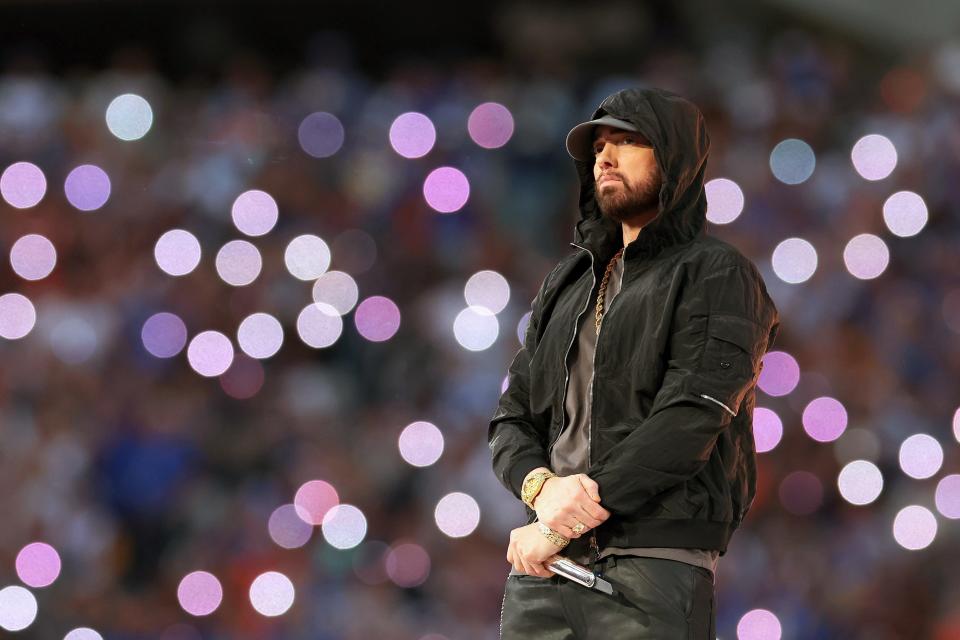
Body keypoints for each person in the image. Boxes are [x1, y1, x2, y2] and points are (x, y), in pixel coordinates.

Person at [488, 86, 781, 639]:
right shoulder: (569, 280)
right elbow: (512, 415)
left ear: (675, 160)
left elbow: (691, 416)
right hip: (541, 572)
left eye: (627, 141)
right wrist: (539, 490)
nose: (605, 155)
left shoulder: (716, 273)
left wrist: (560, 522)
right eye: (599, 144)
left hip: (650, 568)